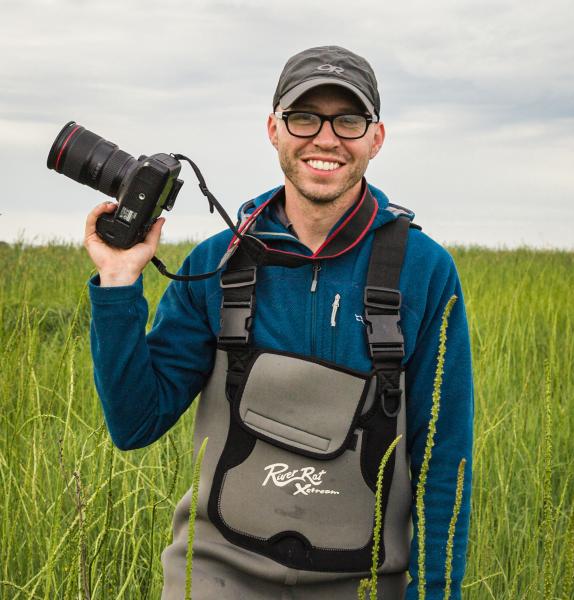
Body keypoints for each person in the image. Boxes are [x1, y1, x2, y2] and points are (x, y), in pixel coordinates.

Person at [85, 45, 474, 600]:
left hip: (362, 584)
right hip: (216, 573)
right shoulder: (216, 264)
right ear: (273, 129)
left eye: (348, 120)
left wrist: (435, 592)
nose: (326, 138)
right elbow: (133, 423)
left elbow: (445, 456)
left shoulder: (424, 270)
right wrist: (120, 283)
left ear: (376, 138)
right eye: (303, 117)